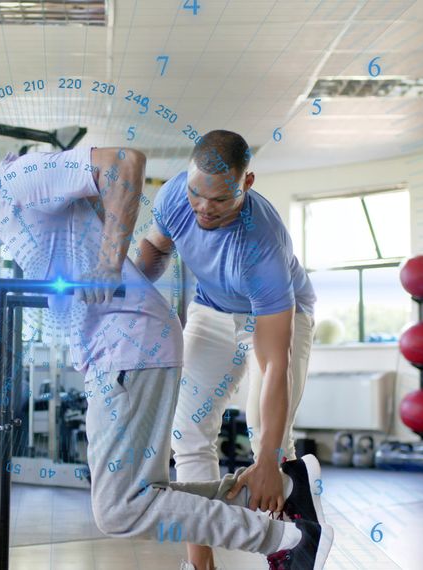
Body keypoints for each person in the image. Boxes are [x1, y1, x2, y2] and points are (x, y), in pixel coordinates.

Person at [0, 137, 332, 568]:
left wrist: (108, 263)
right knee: (145, 489)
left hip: (131, 349)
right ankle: (281, 501)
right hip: (124, 347)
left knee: (119, 508)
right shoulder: (10, 207)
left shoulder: (18, 179)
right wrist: (119, 281)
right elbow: (134, 239)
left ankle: (287, 539)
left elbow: (124, 163)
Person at [135, 130, 325, 570]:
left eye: (219, 200)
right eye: (195, 193)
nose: (202, 207)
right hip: (213, 308)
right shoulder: (175, 199)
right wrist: (124, 284)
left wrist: (266, 461)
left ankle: (292, 540)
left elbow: (276, 363)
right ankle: (200, 565)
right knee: (187, 431)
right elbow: (157, 249)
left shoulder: (261, 245)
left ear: (248, 183)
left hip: (279, 314)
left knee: (269, 437)